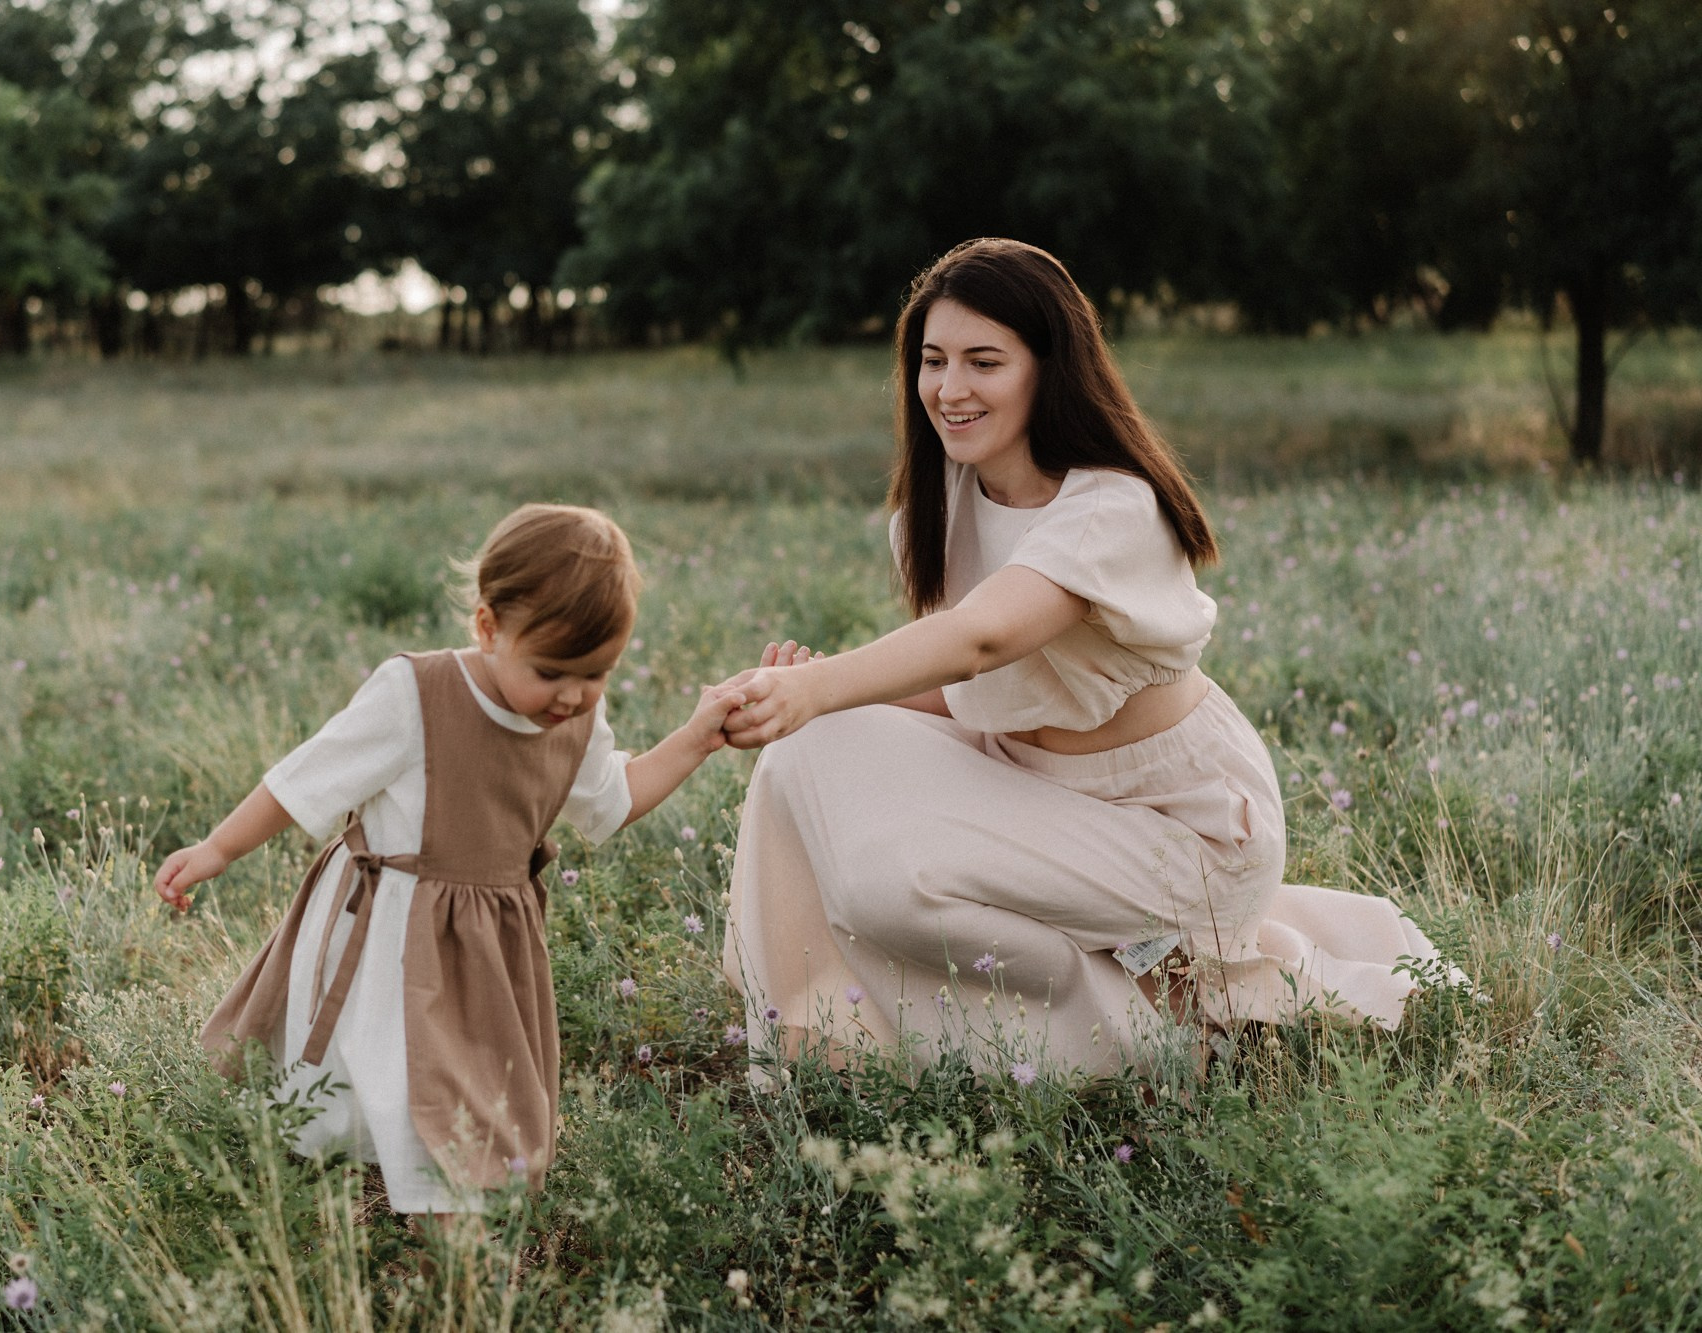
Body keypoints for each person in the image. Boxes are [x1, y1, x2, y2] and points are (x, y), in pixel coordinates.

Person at [717, 238, 1454, 1080]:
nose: (950, 390)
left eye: (984, 361)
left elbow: (985, 634)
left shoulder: (1111, 507)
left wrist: (818, 683)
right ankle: (816, 1032)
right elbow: (974, 687)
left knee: (891, 875)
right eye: (933, 361)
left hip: (1178, 827)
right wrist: (811, 705)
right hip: (1033, 783)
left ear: (1048, 366)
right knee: (800, 761)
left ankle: (1160, 1018)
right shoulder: (940, 506)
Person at [153, 504, 744, 1220]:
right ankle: (344, 1207)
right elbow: (304, 777)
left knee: (468, 1089)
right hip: (385, 929)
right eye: (552, 670)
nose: (572, 695)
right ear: (489, 627)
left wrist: (696, 737)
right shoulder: (417, 693)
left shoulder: (578, 714)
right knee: (387, 1066)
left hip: (487, 946)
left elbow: (611, 801)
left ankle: (455, 1235)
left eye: (597, 673)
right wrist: (218, 847)